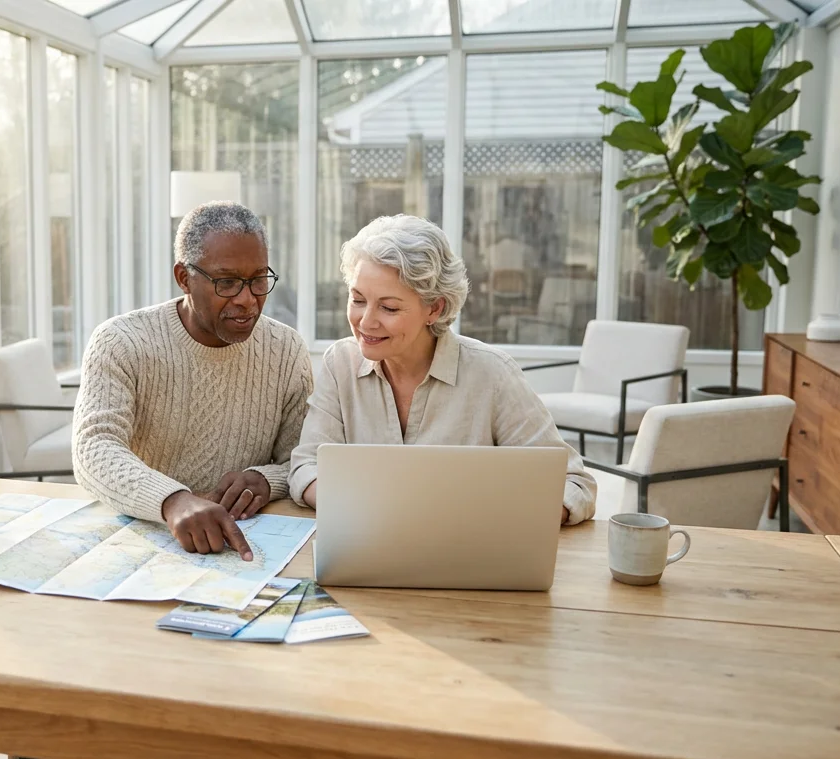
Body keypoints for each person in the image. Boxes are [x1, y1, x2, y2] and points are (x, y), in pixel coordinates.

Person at [289, 214, 595, 524]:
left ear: (435, 308)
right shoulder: (340, 364)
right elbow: (306, 467)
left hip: (468, 555)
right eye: (357, 299)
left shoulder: (492, 374)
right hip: (364, 543)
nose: (366, 321)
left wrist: (484, 519)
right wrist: (375, 511)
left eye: (389, 307)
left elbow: (573, 485)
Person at [72, 201, 315, 558]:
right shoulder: (120, 341)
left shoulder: (287, 349)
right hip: (142, 540)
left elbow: (302, 457)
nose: (248, 300)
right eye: (228, 282)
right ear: (184, 277)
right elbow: (93, 448)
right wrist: (171, 500)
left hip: (244, 544)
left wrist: (266, 479)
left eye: (259, 280)